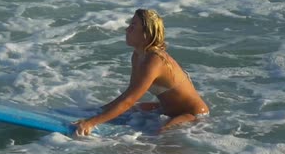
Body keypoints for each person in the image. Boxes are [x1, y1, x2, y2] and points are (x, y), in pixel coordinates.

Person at [73, 9, 209, 136]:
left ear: (146, 34)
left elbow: (129, 100)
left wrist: (91, 123)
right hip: (166, 110)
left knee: (161, 134)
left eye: (133, 26)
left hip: (191, 114)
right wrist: (99, 111)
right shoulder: (138, 56)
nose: (127, 29)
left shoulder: (154, 60)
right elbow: (129, 94)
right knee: (134, 109)